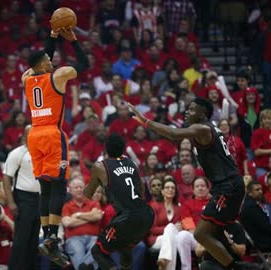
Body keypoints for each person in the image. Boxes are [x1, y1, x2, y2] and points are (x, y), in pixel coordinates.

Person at [128, 97, 245, 269]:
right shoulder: (209, 129)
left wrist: (146, 121)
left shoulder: (202, 128)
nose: (186, 112)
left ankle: (234, 267)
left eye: (191, 110)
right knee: (215, 233)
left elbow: (174, 134)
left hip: (228, 187)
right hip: (228, 185)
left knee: (201, 234)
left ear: (202, 114)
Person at [21, 24, 88, 267]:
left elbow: (39, 60)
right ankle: (51, 237)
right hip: (51, 133)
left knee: (44, 186)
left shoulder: (27, 78)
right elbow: (84, 66)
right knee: (58, 184)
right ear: (42, 65)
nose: (52, 61)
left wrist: (51, 37)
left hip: (33, 133)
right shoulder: (57, 76)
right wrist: (73, 40)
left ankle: (47, 236)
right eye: (48, 60)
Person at [84, 134, 155, 270]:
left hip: (127, 217)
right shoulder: (132, 164)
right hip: (147, 214)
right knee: (126, 250)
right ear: (123, 149)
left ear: (106, 149)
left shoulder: (101, 166)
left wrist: (100, 182)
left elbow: (88, 194)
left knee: (97, 252)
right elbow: (141, 188)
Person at [2, 125, 41, 270]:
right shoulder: (17, 153)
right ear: (24, 136)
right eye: (29, 134)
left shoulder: (44, 152)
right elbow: (6, 178)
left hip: (40, 199)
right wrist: (11, 202)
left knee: (33, 240)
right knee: (21, 240)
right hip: (23, 199)